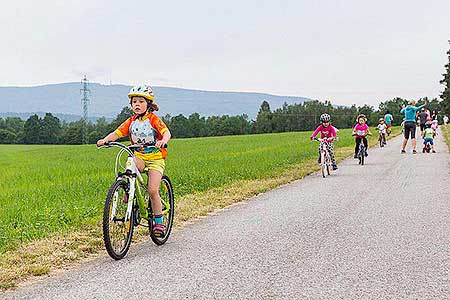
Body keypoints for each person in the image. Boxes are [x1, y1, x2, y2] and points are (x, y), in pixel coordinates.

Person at [97, 85, 172, 237]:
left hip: (155, 159)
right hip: (140, 157)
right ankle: (128, 189)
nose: (137, 104)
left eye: (141, 101)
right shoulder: (131, 121)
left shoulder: (153, 120)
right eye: (134, 102)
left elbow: (166, 132)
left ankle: (158, 222)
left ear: (148, 104)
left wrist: (163, 140)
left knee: (152, 190)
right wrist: (105, 140)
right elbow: (117, 133)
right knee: (130, 162)